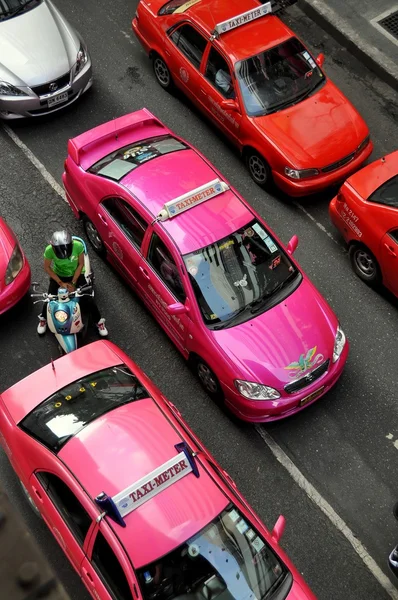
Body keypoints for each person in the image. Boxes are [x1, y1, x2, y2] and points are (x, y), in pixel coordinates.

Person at [37, 230, 108, 336]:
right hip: (60, 276)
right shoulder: (49, 250)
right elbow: (47, 267)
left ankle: (99, 322)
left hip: (77, 274)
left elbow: (80, 265)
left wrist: (73, 283)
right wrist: (61, 283)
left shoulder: (78, 246)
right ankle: (43, 319)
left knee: (87, 297)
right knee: (50, 297)